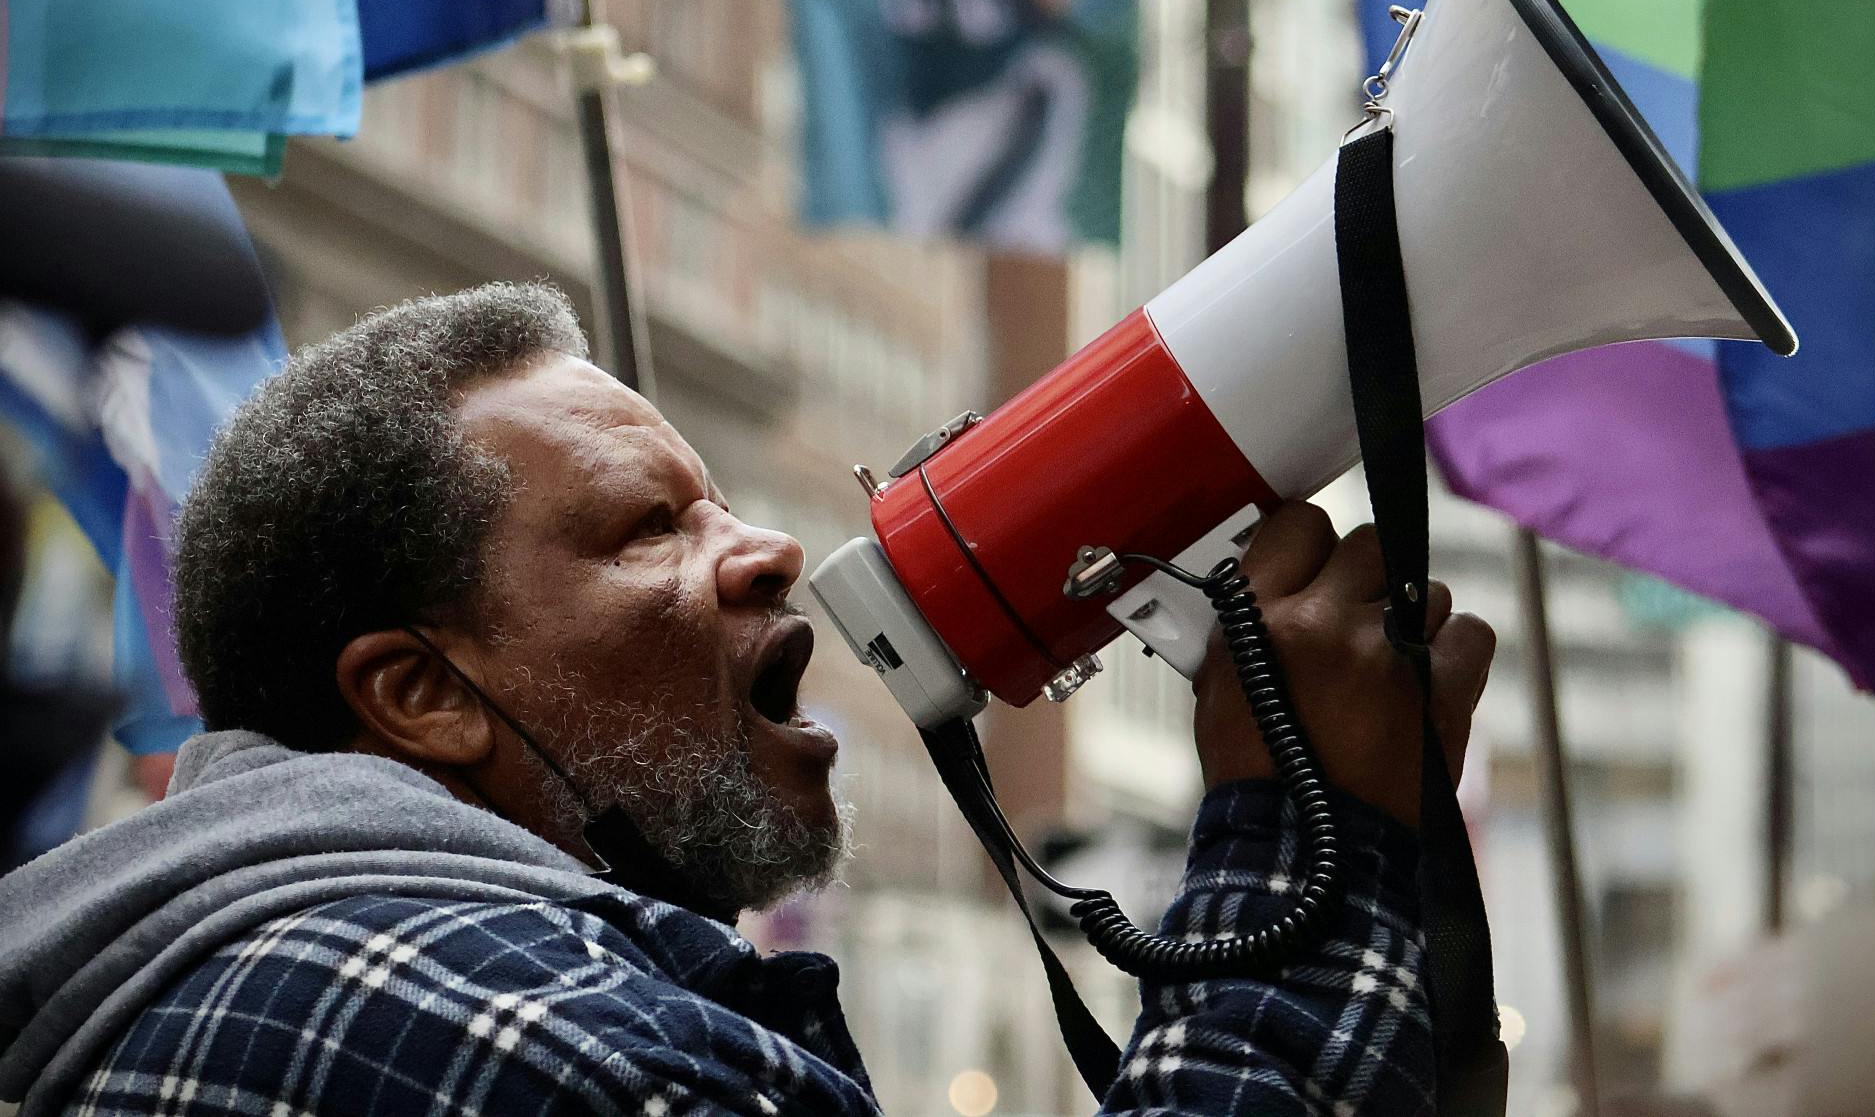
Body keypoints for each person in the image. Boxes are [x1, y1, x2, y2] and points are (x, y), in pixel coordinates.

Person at [0, 283, 1495, 1114]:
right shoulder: (537, 1035)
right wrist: (1316, 834)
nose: (769, 548)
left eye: (717, 506)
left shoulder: (242, 963)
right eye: (648, 528)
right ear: (418, 693)